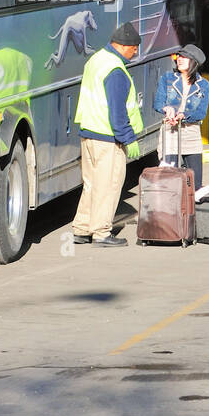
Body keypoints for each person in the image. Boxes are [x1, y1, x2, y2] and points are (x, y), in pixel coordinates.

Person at [72, 22, 144, 247]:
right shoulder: (116, 70)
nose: (136, 52)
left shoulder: (96, 60)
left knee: (91, 184)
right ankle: (102, 233)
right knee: (109, 185)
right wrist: (128, 137)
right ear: (124, 46)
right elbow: (117, 110)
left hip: (89, 133)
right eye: (134, 48)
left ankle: (82, 228)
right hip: (107, 139)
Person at [152, 44, 209, 188]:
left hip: (191, 132)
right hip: (170, 132)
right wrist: (166, 108)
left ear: (194, 62)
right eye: (179, 56)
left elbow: (201, 112)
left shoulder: (204, 85)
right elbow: (158, 102)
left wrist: (183, 115)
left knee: (195, 183)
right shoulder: (167, 78)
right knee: (168, 180)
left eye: (184, 57)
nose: (179, 59)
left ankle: (191, 208)